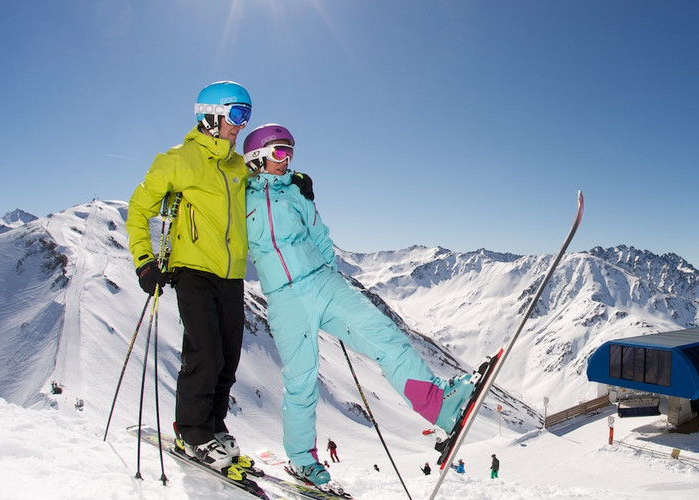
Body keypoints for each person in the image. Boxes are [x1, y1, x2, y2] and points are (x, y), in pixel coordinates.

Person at [241, 123, 478, 487]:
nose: (286, 159)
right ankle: (303, 461)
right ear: (256, 157)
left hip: (321, 281)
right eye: (278, 152)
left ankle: (439, 405)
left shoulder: (296, 192)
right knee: (301, 379)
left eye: (290, 152)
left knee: (384, 334)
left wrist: (330, 277)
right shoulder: (239, 197)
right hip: (284, 297)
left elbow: (319, 234)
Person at [126, 81, 254, 471]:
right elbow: (138, 208)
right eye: (236, 114)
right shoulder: (179, 159)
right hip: (192, 271)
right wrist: (144, 261)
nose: (242, 124)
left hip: (232, 275)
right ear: (210, 115)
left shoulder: (237, 165)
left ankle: (214, 427)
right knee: (205, 354)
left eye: (246, 115)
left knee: (228, 359)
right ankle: (192, 433)